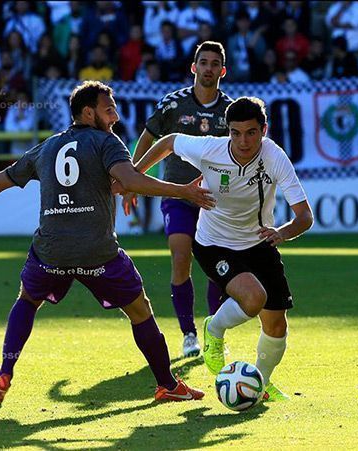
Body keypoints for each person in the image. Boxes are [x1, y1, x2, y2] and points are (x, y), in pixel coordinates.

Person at [0, 80, 213, 404]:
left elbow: (0, 181)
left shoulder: (47, 147)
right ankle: (168, 385)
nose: (116, 116)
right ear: (88, 112)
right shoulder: (107, 143)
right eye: (109, 109)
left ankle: (5, 373)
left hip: (51, 251)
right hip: (98, 252)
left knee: (27, 300)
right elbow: (131, 179)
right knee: (140, 311)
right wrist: (184, 191)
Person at [131, 97, 314, 401]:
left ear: (264, 130)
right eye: (236, 132)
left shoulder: (275, 157)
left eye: (251, 133)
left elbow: (305, 216)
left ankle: (259, 385)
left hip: (260, 242)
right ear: (228, 130)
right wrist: (134, 174)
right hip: (213, 243)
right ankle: (213, 331)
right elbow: (169, 141)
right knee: (254, 298)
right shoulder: (210, 149)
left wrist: (281, 233)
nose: (243, 141)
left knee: (277, 326)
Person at [124, 41, 233, 358]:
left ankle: (215, 332)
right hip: (176, 192)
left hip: (214, 199)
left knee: (217, 267)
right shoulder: (173, 105)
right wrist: (132, 179)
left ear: (222, 71)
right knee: (181, 256)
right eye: (204, 62)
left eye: (215, 63)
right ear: (193, 67)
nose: (209, 68)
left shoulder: (231, 110)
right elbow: (148, 136)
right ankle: (188, 334)